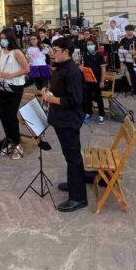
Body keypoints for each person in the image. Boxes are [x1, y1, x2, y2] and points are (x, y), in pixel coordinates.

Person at [43, 37, 87, 212]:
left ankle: (78, 198)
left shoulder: (72, 71)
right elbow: (59, 89)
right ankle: (74, 183)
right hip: (61, 118)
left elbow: (75, 100)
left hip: (69, 120)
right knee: (69, 155)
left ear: (66, 52)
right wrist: (48, 91)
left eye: (55, 50)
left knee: (73, 157)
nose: (52, 53)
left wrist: (52, 99)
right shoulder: (61, 67)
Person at [0, 28, 29, 159]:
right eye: (0, 38)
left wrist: (10, 75)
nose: (1, 40)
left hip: (15, 86)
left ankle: (17, 144)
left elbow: (26, 69)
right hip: (3, 85)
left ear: (10, 38)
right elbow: (1, 69)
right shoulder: (1, 52)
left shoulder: (17, 52)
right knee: (2, 115)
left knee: (10, 115)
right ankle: (9, 140)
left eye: (4, 38)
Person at [82, 36, 106, 125]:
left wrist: (102, 81)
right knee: (87, 98)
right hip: (87, 80)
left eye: (91, 44)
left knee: (98, 98)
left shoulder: (99, 56)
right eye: (88, 44)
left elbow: (103, 69)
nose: (90, 46)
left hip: (97, 81)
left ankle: (101, 115)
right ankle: (88, 113)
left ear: (95, 45)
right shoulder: (85, 55)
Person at [119, 24, 136, 96]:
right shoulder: (123, 40)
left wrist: (135, 55)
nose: (130, 32)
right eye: (128, 30)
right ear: (126, 31)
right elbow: (121, 49)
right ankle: (134, 90)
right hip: (128, 60)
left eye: (131, 30)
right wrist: (129, 51)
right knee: (132, 76)